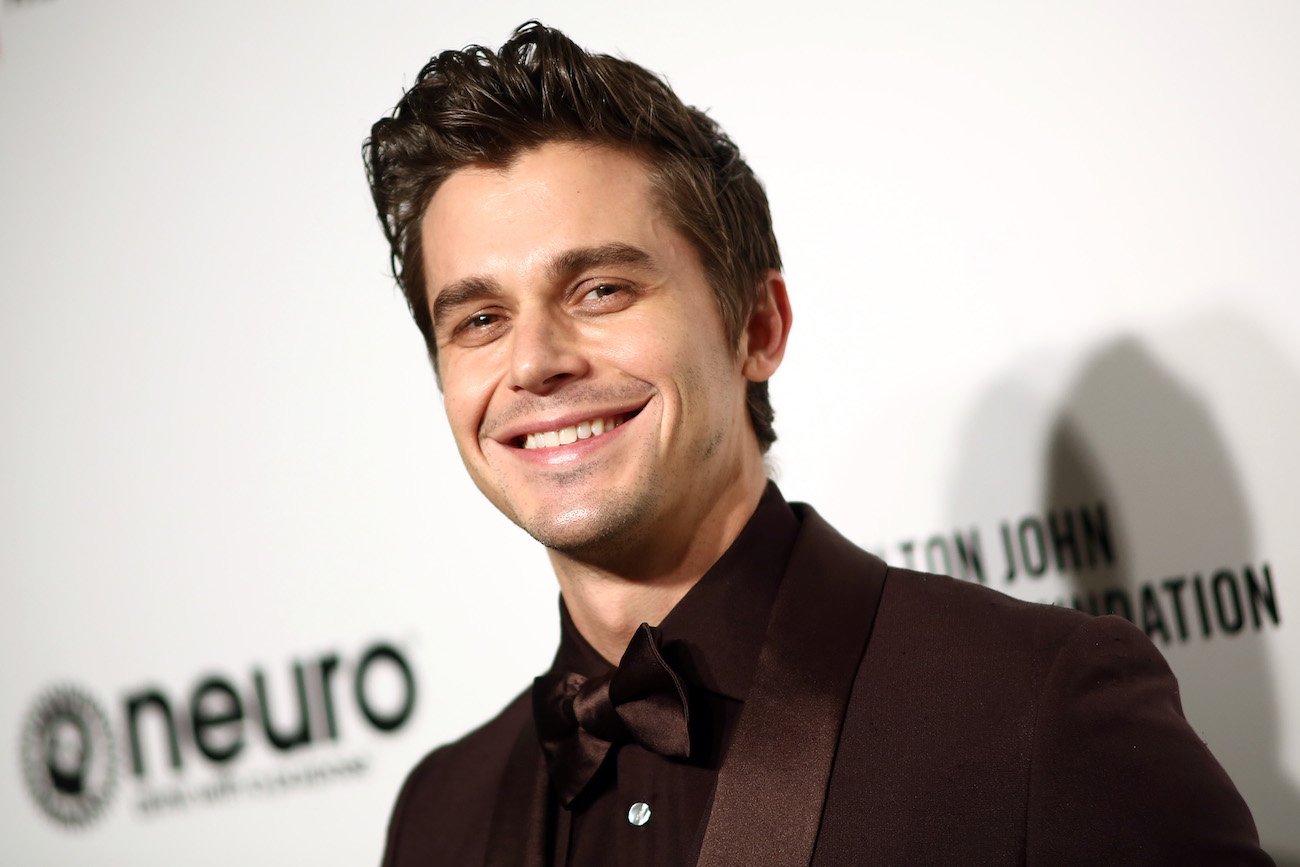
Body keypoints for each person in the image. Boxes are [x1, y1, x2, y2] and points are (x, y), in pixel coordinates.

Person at [364, 21, 1271, 866]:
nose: (535, 361)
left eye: (600, 289)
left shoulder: (1035, 709)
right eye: (479, 319)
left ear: (757, 325)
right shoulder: (438, 815)